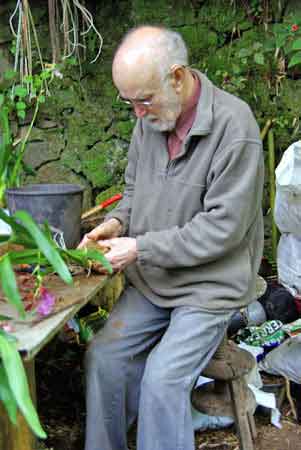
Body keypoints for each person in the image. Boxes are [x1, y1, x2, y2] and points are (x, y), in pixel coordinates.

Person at [79, 25, 264, 450]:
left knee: (162, 380)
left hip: (209, 286)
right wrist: (119, 224)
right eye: (129, 103)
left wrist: (140, 247)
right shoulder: (150, 120)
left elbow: (223, 229)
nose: (138, 114)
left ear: (177, 77)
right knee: (105, 358)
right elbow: (132, 192)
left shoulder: (235, 129)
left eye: (144, 100)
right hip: (155, 279)